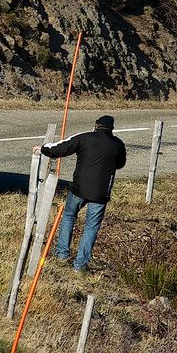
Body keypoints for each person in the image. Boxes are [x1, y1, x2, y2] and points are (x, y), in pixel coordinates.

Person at [37, 115, 126, 273]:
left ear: (96, 125)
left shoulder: (85, 137)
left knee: (69, 216)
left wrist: (43, 148)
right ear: (111, 129)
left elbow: (61, 148)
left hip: (79, 188)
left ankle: (61, 254)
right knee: (91, 228)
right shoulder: (118, 145)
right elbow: (121, 164)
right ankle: (80, 265)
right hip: (100, 194)